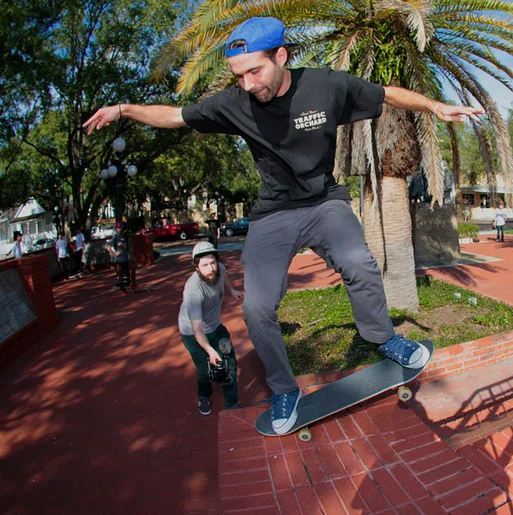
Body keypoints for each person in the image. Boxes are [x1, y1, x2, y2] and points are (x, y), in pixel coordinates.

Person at [83, 16, 484, 435]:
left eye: (255, 71)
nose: (248, 84)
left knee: (358, 261)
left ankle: (383, 337)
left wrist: (435, 106)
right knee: (256, 307)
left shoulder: (325, 85)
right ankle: (284, 389)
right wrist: (123, 109)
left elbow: (388, 95)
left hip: (324, 202)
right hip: (273, 213)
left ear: (281, 56)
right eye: (239, 76)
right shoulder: (234, 103)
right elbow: (176, 116)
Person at [179, 242, 244, 415]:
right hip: (193, 333)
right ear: (196, 268)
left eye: (213, 262)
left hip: (215, 326)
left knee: (229, 363)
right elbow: (197, 328)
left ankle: (232, 403)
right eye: (205, 265)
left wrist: (232, 289)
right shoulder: (193, 290)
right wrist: (209, 350)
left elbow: (224, 274)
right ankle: (204, 395)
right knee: (205, 372)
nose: (211, 268)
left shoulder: (219, 269)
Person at [107, 222, 130, 290]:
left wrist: (122, 245)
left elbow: (126, 247)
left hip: (125, 256)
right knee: (120, 272)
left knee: (127, 272)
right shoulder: (115, 237)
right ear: (116, 229)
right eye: (118, 228)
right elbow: (108, 247)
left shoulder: (123, 236)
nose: (119, 229)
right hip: (119, 258)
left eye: (120, 228)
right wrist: (114, 254)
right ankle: (121, 287)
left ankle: (127, 283)